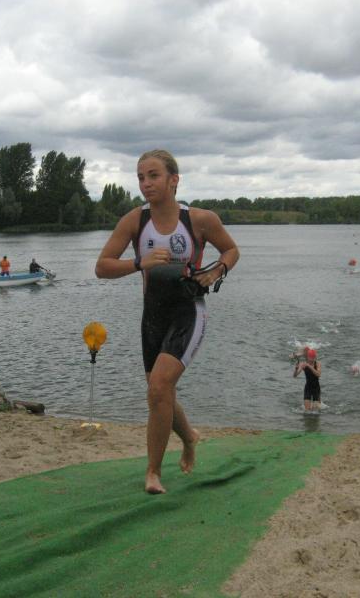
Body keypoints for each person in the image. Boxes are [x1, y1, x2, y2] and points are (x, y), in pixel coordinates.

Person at [95, 149, 240, 494]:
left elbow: (231, 250)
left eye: (153, 175)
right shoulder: (135, 221)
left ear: (174, 180)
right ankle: (189, 437)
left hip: (188, 311)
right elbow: (102, 267)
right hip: (153, 314)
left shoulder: (200, 220)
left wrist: (216, 271)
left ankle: (153, 473)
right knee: (158, 392)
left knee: (160, 387)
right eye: (140, 177)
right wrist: (139, 263)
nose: (145, 183)